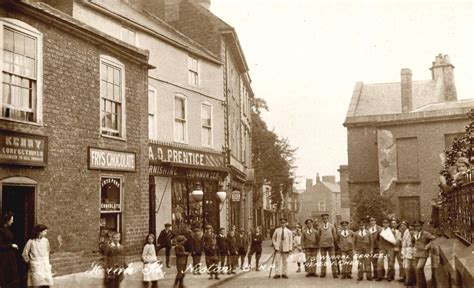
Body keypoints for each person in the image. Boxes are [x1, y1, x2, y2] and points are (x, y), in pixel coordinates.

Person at [413, 220, 436, 288]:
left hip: (423, 254)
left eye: (418, 226)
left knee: (418, 268)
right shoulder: (415, 234)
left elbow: (434, 239)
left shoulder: (426, 233)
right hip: (416, 253)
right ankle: (422, 285)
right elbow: (413, 242)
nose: (417, 227)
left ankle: (420, 285)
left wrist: (427, 246)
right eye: (416, 226)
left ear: (421, 226)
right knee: (418, 270)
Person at [0, 211, 20, 288]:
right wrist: (11, 245)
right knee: (6, 275)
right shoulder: (1, 231)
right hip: (4, 256)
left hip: (10, 255)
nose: (13, 221)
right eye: (11, 219)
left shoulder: (7, 229)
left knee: (13, 274)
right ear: (7, 220)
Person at [318, 213, 338, 278]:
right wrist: (320, 242)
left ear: (328, 218)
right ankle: (323, 273)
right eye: (323, 219)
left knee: (333, 259)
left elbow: (334, 235)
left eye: (326, 218)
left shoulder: (332, 226)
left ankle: (335, 273)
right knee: (323, 259)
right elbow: (318, 236)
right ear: (322, 219)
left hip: (331, 245)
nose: (324, 220)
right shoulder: (320, 227)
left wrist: (335, 243)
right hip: (323, 245)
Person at [400, 220, 416, 286]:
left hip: (413, 252)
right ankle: (407, 279)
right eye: (410, 229)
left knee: (413, 267)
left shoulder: (415, 235)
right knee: (406, 266)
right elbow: (404, 243)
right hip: (406, 252)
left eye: (412, 229)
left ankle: (412, 280)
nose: (411, 231)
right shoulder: (406, 233)